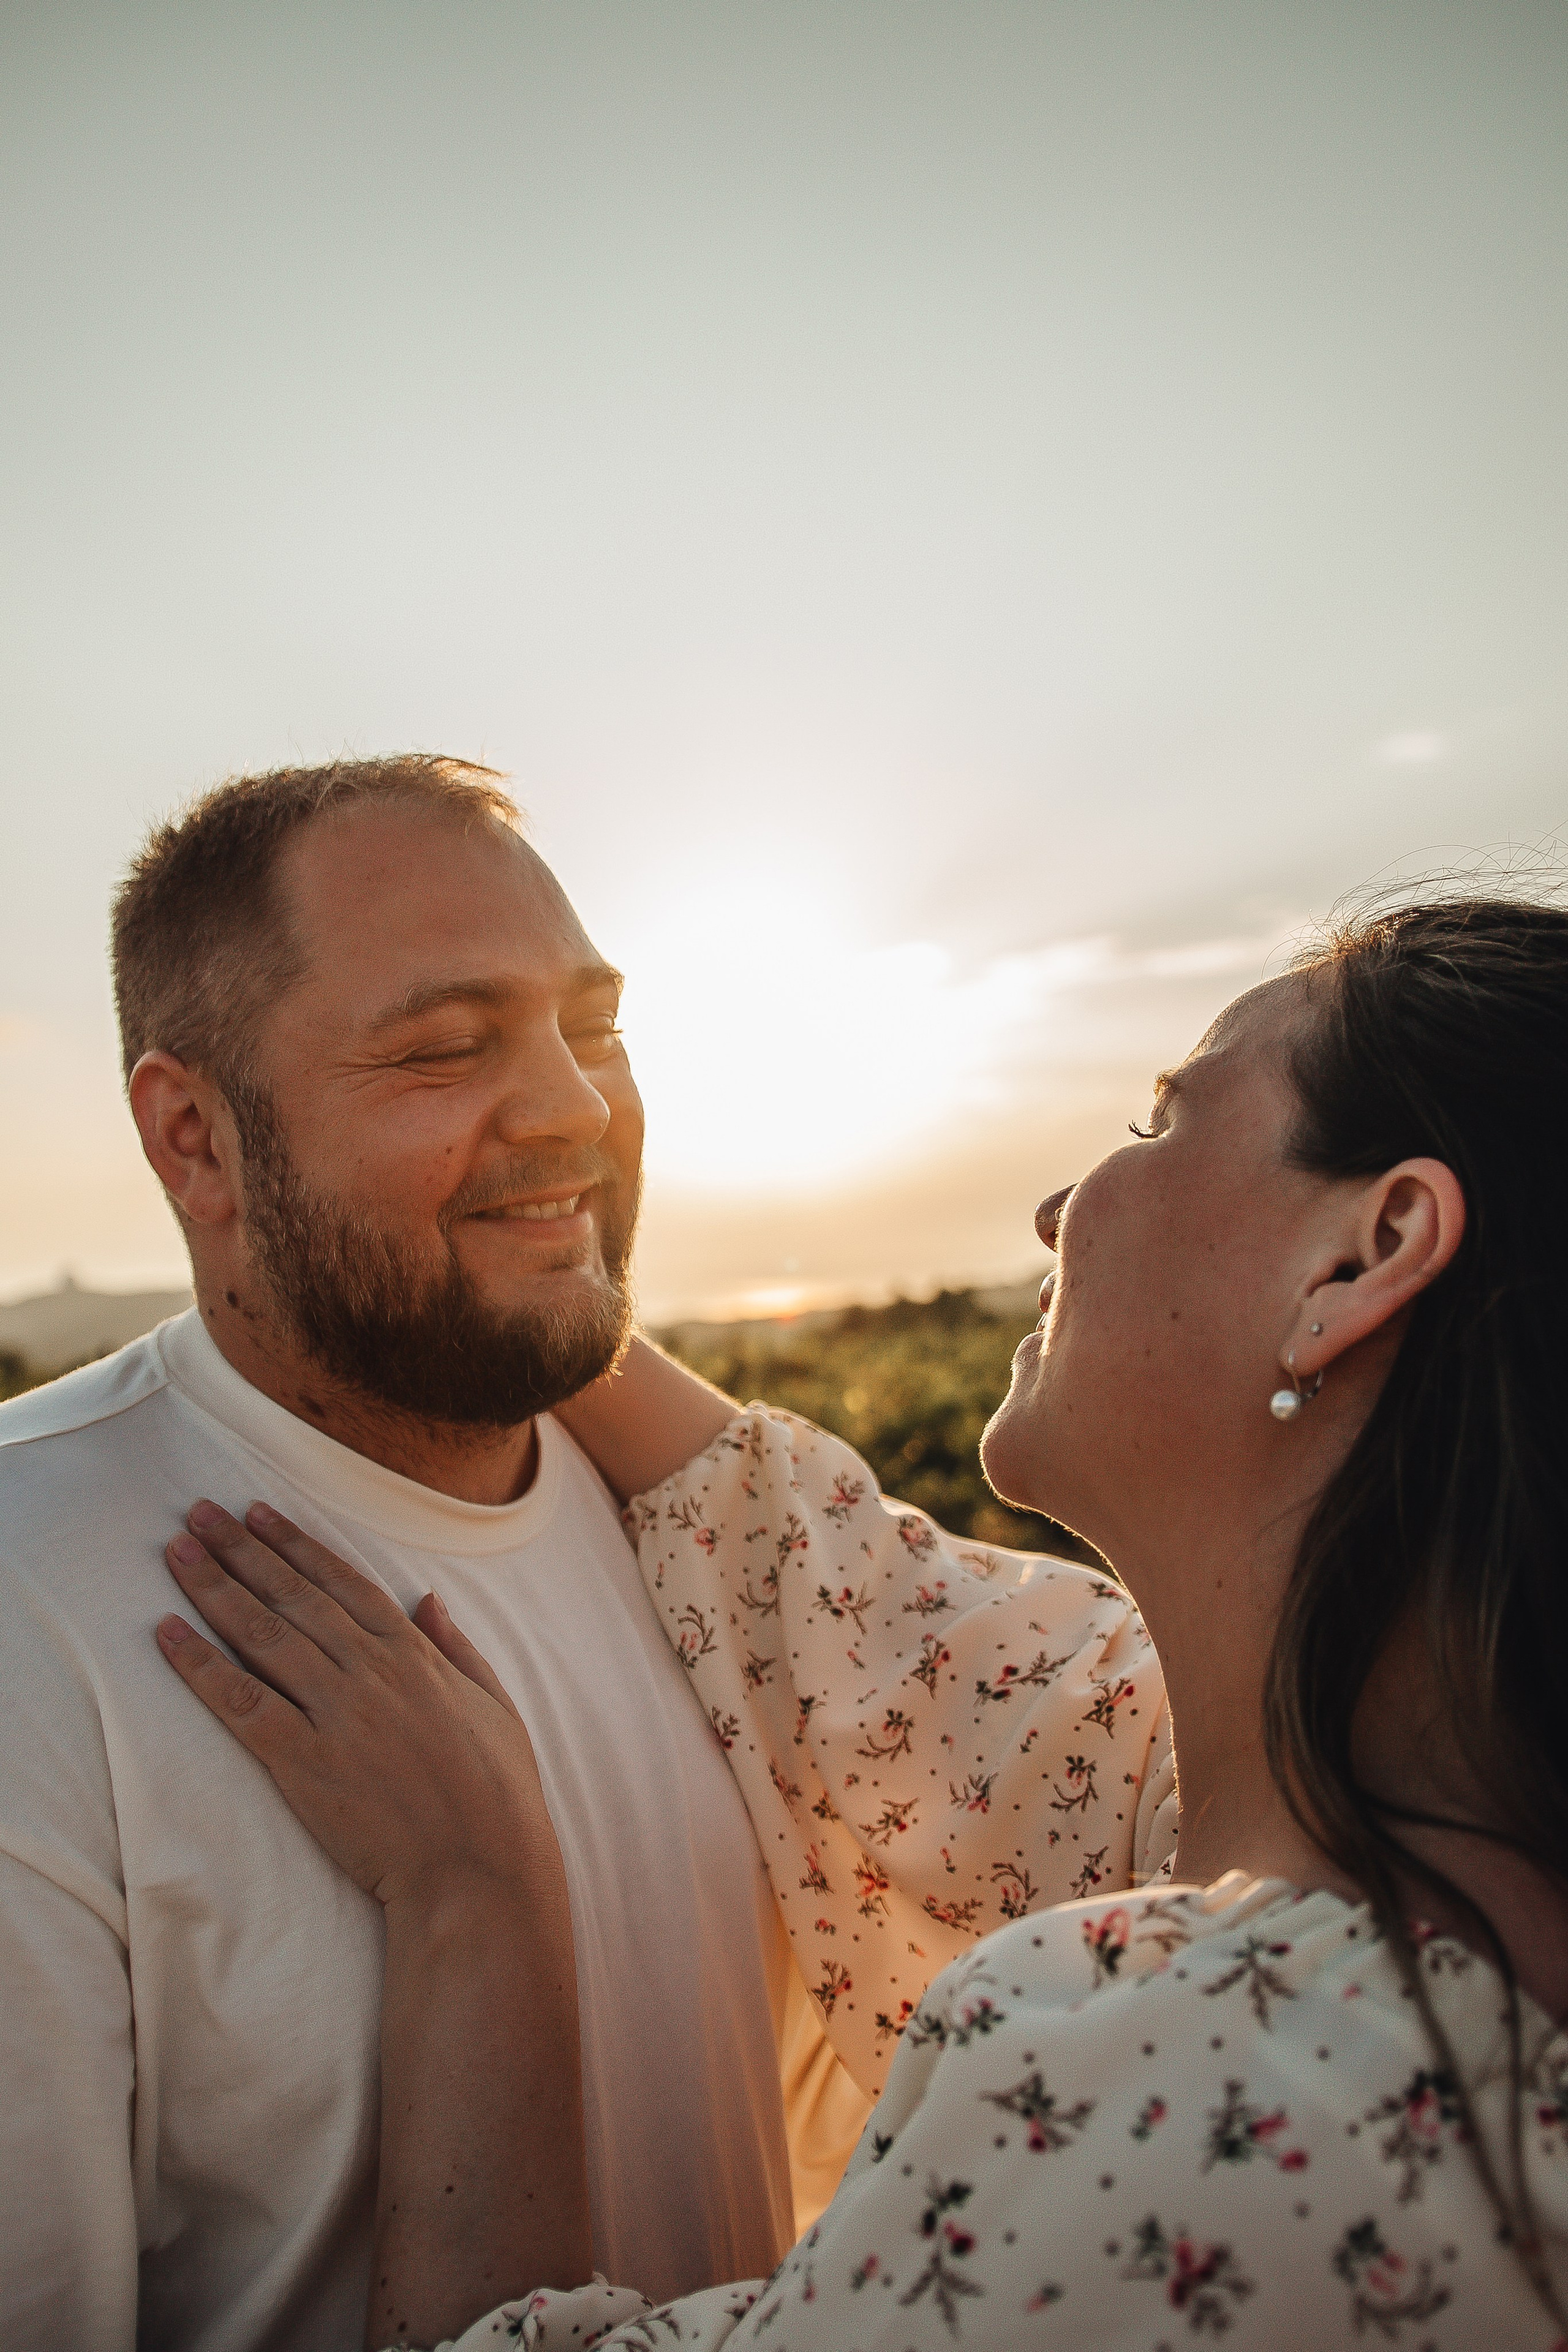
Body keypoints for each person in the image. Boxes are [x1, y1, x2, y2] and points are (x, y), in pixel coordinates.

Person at [159, 894, 1568, 2347]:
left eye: (1159, 1123)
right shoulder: (1264, 1779)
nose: (1057, 1207)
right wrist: (494, 1262)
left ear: (1363, 1253)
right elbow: (850, 1603)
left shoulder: (1189, 2102)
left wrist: (478, 1892)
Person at [0, 753, 1164, 2352]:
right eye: (441, 1049)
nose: (573, 1107)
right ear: (193, 1138)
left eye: (594, 1027)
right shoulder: (31, 1596)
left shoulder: (717, 1553)